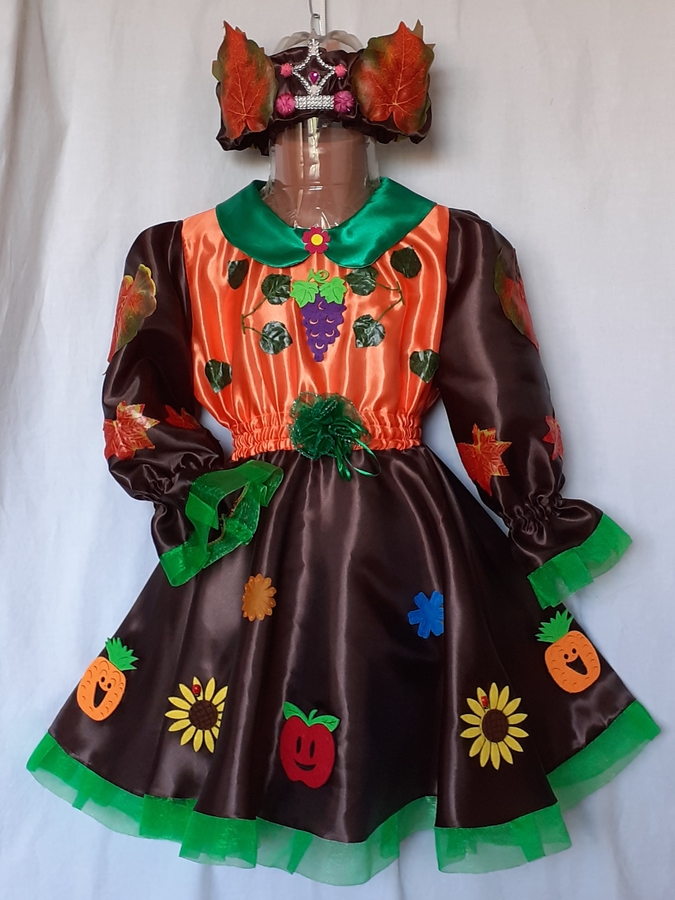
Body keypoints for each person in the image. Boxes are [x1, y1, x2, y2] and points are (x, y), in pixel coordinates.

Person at [27, 23, 658, 885]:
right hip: (252, 528)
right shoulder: (180, 253)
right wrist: (192, 486)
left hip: (406, 531)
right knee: (233, 696)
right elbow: (139, 403)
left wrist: (529, 505)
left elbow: (498, 392)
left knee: (418, 693)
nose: (314, 147)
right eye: (298, 131)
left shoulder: (451, 244)